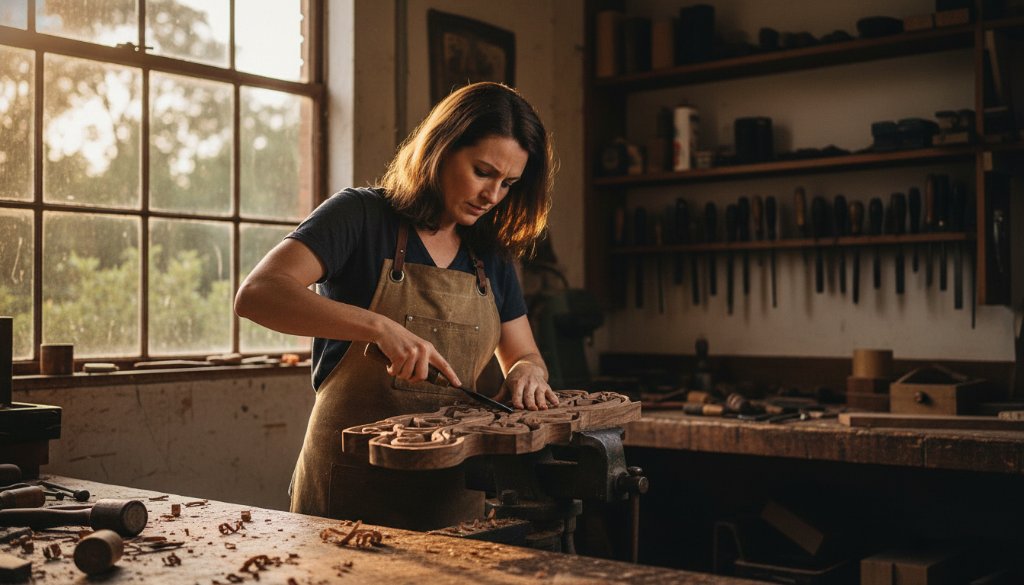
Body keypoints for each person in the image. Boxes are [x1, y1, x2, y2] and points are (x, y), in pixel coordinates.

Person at [234, 82, 558, 529]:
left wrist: (528, 371)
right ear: (441, 150)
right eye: (483, 171)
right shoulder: (361, 216)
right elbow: (258, 294)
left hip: (451, 495)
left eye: (509, 183)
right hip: (348, 490)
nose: (493, 196)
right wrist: (380, 328)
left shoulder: (490, 253)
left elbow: (523, 353)